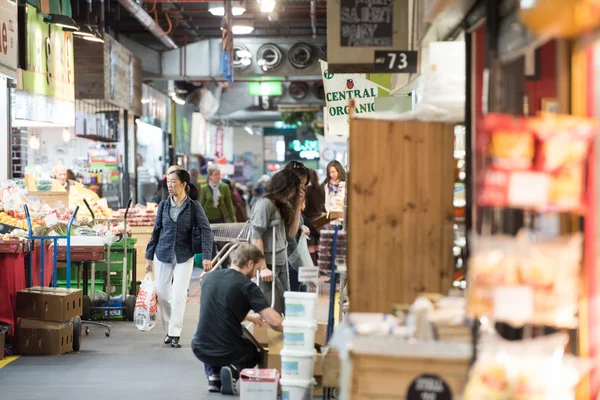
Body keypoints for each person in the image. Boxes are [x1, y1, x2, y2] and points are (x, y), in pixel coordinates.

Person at [192, 243, 283, 395]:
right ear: (249, 264)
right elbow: (274, 321)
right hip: (227, 351)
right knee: (253, 352)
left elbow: (219, 307)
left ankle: (213, 375)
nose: (256, 275)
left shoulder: (209, 278)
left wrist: (249, 317)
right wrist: (298, 332)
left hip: (199, 347)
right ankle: (233, 370)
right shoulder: (247, 286)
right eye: (257, 269)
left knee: (210, 328)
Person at [145, 169, 214, 349]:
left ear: (183, 184)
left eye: (173, 181)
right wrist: (148, 257)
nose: (169, 185)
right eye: (168, 182)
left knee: (179, 294)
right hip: (163, 254)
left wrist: (207, 256)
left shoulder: (194, 207)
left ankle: (175, 333)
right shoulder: (163, 206)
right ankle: (169, 327)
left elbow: (206, 230)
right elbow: (156, 232)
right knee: (162, 293)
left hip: (184, 255)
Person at [250, 169, 302, 313]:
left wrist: (297, 207)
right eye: (293, 190)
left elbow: (291, 233)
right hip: (268, 263)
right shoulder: (265, 204)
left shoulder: (281, 204)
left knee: (285, 307)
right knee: (272, 308)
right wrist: (262, 267)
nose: (293, 193)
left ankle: (279, 335)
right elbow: (256, 236)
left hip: (281, 261)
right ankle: (267, 335)